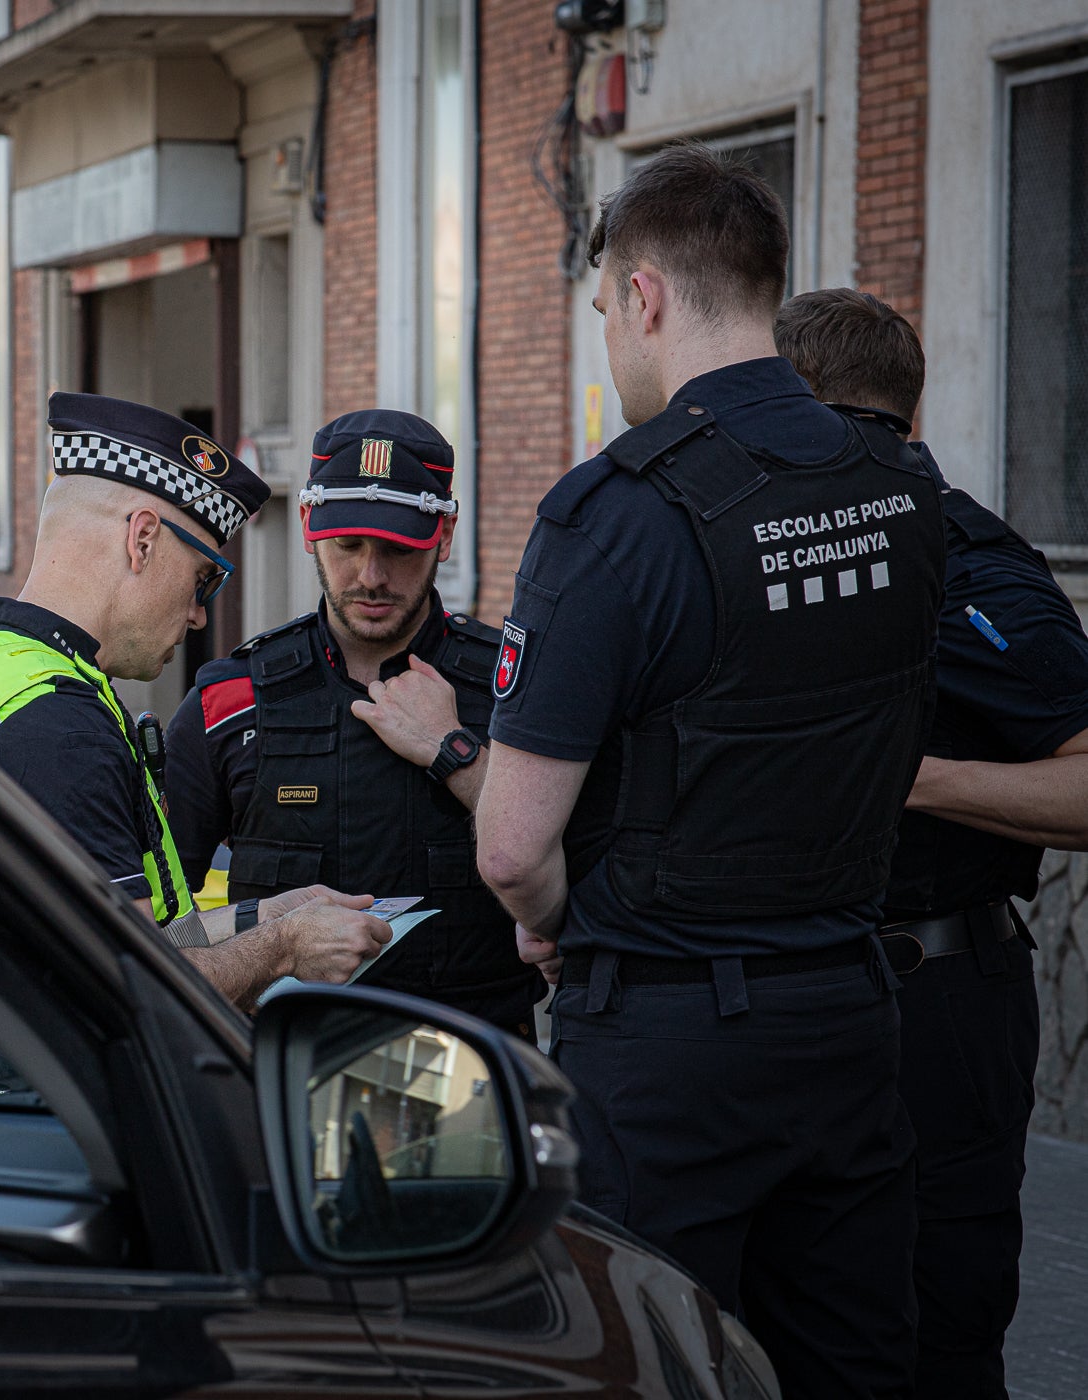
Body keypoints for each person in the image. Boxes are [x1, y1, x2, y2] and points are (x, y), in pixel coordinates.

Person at [472, 143, 946, 1397]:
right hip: (850, 1009)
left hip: (672, 1037)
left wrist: (553, 924)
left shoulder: (611, 516)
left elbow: (513, 846)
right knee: (857, 1361)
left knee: (652, 1361)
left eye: (600, 314)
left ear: (645, 298)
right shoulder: (901, 483)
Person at [777, 287, 1088, 1400]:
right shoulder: (747, 556)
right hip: (779, 1001)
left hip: (936, 999)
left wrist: (918, 779)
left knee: (940, 1337)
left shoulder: (971, 563)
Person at [0, 392, 392, 1009]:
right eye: (203, 579)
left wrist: (272, 916)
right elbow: (133, 988)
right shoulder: (57, 727)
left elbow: (137, 938)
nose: (199, 616)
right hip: (42, 1101)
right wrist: (284, 948)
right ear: (142, 541)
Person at [163, 409, 543, 1037]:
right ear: (310, 526)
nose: (371, 576)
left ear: (444, 536)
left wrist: (456, 753)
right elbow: (155, 929)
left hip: (473, 1085)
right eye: (349, 546)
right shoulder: (231, 703)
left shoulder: (519, 688)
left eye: (398, 549)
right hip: (283, 1078)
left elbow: (589, 875)